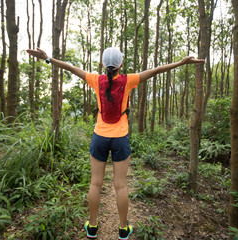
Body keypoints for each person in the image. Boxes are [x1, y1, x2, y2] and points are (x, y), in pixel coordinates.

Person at [26, 47, 204, 239]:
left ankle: (92, 227)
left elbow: (70, 68)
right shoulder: (129, 80)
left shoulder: (96, 80)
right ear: (121, 65)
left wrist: (48, 58)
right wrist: (180, 63)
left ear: (103, 64)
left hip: (99, 137)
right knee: (120, 185)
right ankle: (122, 228)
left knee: (95, 184)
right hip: (120, 138)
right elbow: (157, 70)